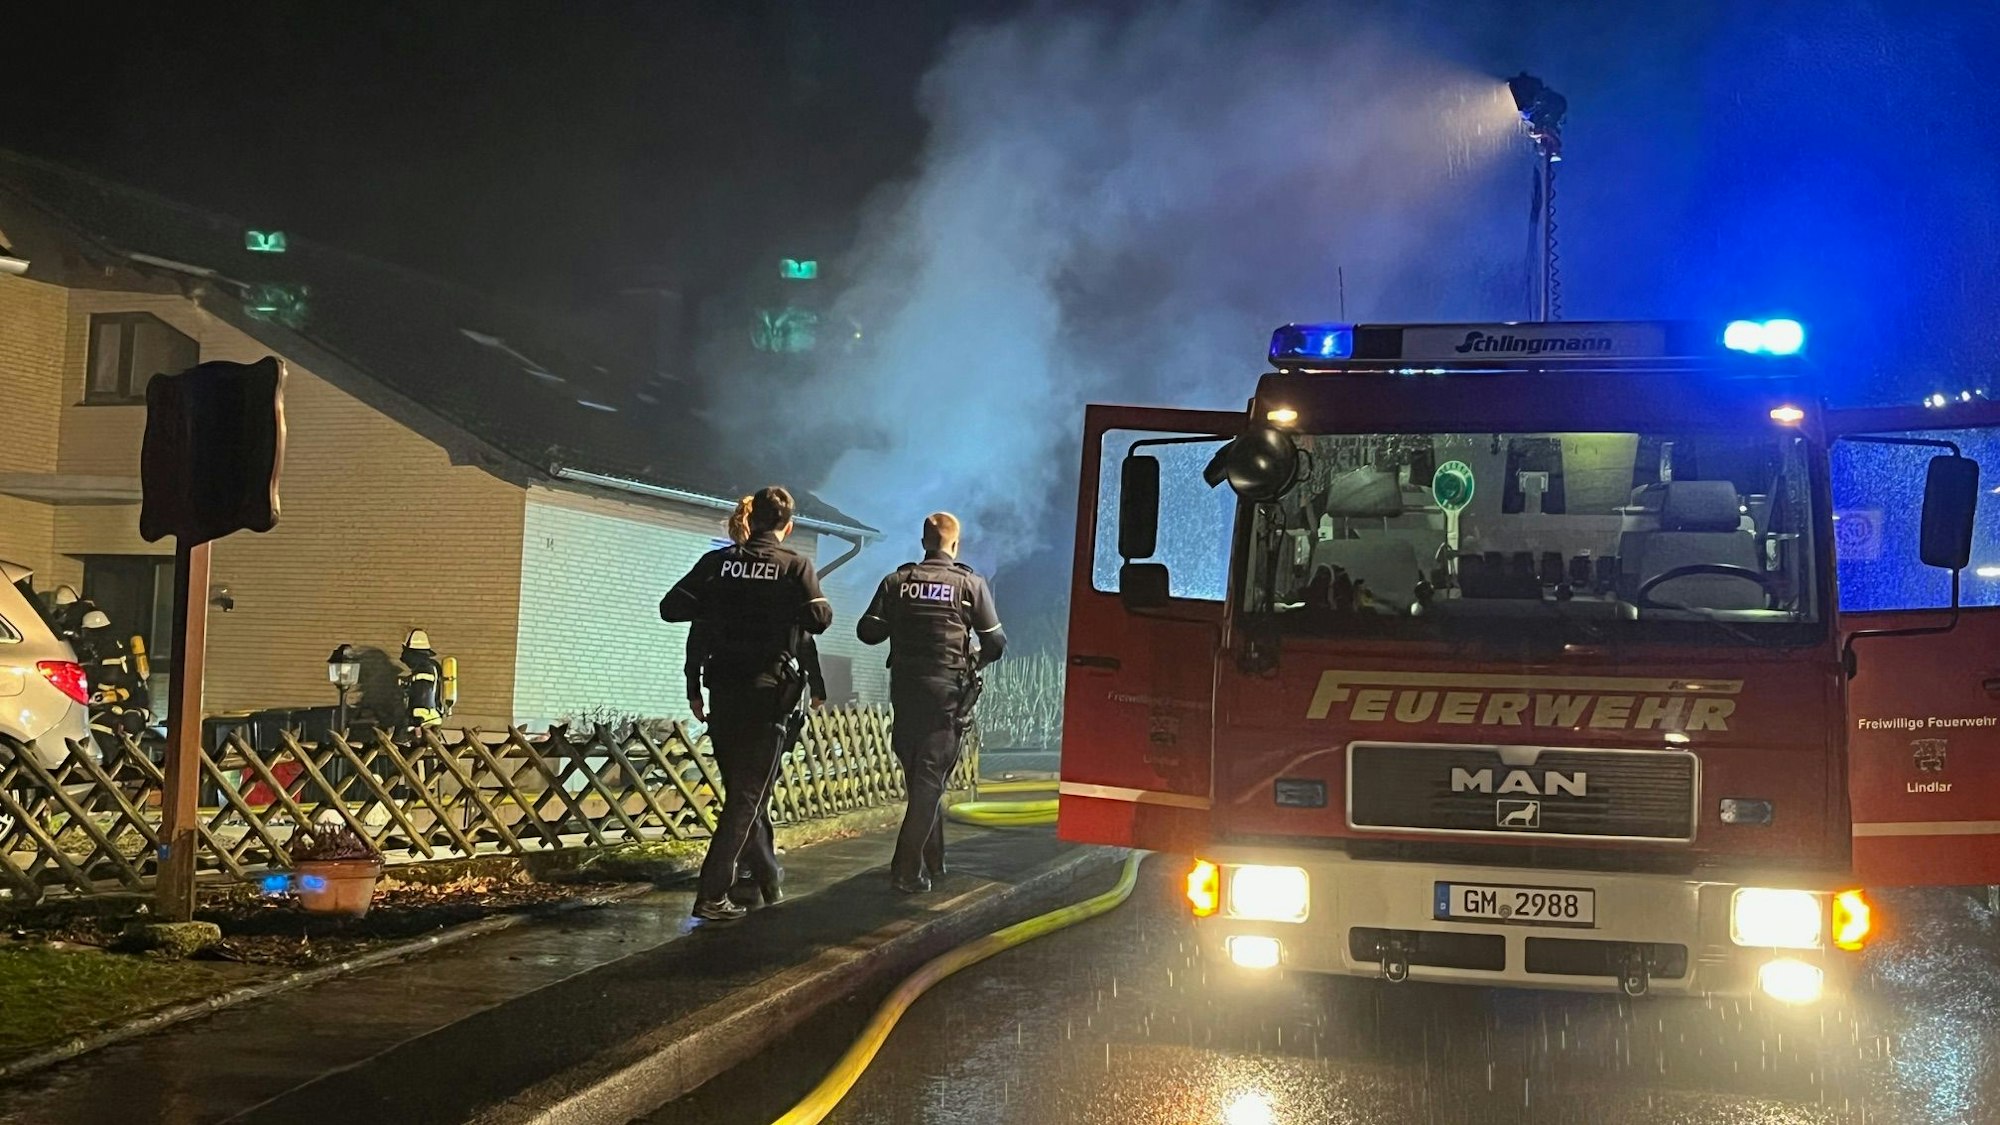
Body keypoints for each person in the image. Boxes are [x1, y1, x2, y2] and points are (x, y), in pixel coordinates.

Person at [663, 486, 832, 923]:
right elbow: (819, 620)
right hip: (766, 693)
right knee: (747, 797)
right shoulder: (794, 566)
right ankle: (713, 892)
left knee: (744, 792)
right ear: (787, 525)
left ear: (750, 517)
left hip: (723, 690)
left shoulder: (716, 565)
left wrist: (721, 602)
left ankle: (766, 875)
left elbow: (673, 608)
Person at [858, 512, 1006, 893]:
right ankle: (906, 870)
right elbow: (996, 643)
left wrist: (900, 622)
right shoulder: (969, 584)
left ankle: (934, 862)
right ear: (954, 545)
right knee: (929, 781)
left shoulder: (897, 582)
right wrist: (975, 659)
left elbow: (868, 631)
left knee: (923, 779)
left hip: (905, 693)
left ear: (924, 542)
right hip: (946, 695)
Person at [400, 630, 445, 732]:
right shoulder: (430, 666)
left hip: (423, 721)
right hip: (427, 719)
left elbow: (423, 693)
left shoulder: (425, 668)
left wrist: (417, 722)